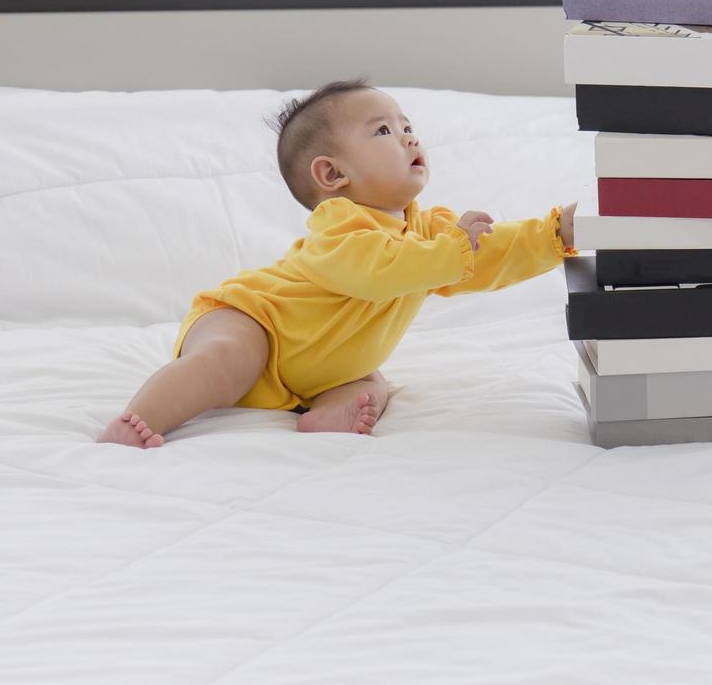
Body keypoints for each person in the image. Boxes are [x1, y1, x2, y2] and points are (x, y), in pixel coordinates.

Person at [97, 77, 576, 448]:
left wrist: (554, 235)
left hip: (323, 368)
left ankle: (328, 414)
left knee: (372, 382)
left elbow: (488, 254)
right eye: (385, 131)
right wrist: (453, 251)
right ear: (331, 174)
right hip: (252, 320)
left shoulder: (429, 231)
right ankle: (138, 420)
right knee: (226, 361)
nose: (409, 138)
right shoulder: (339, 227)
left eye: (408, 126)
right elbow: (377, 270)